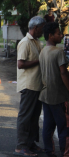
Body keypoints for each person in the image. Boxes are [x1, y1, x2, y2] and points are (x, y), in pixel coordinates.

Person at [14, 16, 46, 157]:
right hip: (29, 85)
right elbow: (20, 64)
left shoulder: (37, 42)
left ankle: (30, 143)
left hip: (37, 85)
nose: (43, 31)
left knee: (34, 117)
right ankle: (21, 146)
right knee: (25, 116)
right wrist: (39, 60)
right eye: (42, 28)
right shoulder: (25, 42)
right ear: (36, 27)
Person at [39, 22, 69, 157]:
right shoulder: (58, 52)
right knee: (64, 126)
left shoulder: (43, 50)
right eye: (58, 34)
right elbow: (64, 74)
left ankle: (49, 151)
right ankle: (65, 152)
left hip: (45, 95)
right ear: (51, 36)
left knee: (48, 125)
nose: (61, 36)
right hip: (59, 96)